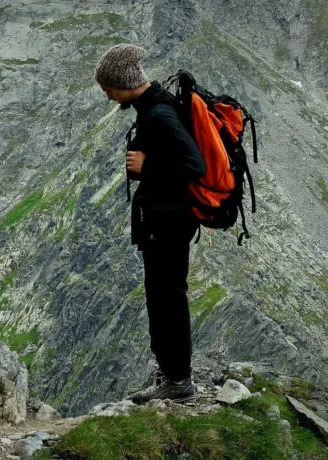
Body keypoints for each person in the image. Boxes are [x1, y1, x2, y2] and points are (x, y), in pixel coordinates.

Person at [94, 44, 206, 402]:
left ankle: (179, 381)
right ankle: (169, 375)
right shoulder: (152, 108)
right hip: (162, 220)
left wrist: (148, 168)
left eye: (109, 88)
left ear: (125, 82)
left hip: (169, 222)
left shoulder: (159, 114)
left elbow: (194, 166)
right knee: (159, 297)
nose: (108, 96)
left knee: (169, 297)